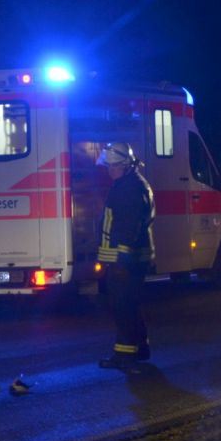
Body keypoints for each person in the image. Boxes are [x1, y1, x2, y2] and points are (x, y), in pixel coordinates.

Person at [96, 142, 156, 371]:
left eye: (114, 166)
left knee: (122, 306)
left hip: (126, 261)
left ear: (126, 165)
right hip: (131, 258)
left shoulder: (129, 188)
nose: (110, 170)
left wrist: (120, 261)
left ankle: (126, 355)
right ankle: (139, 348)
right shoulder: (130, 184)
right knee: (128, 304)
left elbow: (128, 228)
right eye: (109, 166)